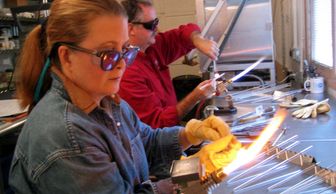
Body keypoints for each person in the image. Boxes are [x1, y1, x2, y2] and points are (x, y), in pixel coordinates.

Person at [9, 0, 238, 193]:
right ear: (67, 57)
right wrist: (190, 179)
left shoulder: (106, 100)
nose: (121, 65)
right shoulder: (66, 138)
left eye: (126, 52)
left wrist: (190, 134)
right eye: (108, 54)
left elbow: (147, 143)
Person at [119, 0, 220, 128]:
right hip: (155, 144)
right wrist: (196, 96)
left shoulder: (153, 47)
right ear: (131, 28)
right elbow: (157, 124)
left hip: (170, 134)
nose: (156, 29)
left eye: (156, 22)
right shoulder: (127, 72)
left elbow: (186, 31)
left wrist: (198, 40)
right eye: (151, 25)